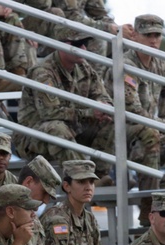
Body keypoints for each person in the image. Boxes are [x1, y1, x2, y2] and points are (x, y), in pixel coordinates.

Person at [106, 14, 165, 225]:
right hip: (123, 132)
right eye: (148, 35)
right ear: (136, 36)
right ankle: (148, 206)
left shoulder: (163, 63)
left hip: (153, 128)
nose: (153, 40)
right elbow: (132, 108)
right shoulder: (125, 63)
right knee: (150, 136)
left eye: (157, 35)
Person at [15, 24, 114, 179]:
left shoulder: (83, 67)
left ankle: (100, 176)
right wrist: (90, 112)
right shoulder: (43, 72)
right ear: (61, 45)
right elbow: (50, 112)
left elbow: (102, 94)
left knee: (110, 121)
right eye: (77, 44)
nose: (83, 48)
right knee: (58, 128)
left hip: (72, 127)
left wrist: (104, 106)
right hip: (34, 135)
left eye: (85, 44)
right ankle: (82, 179)